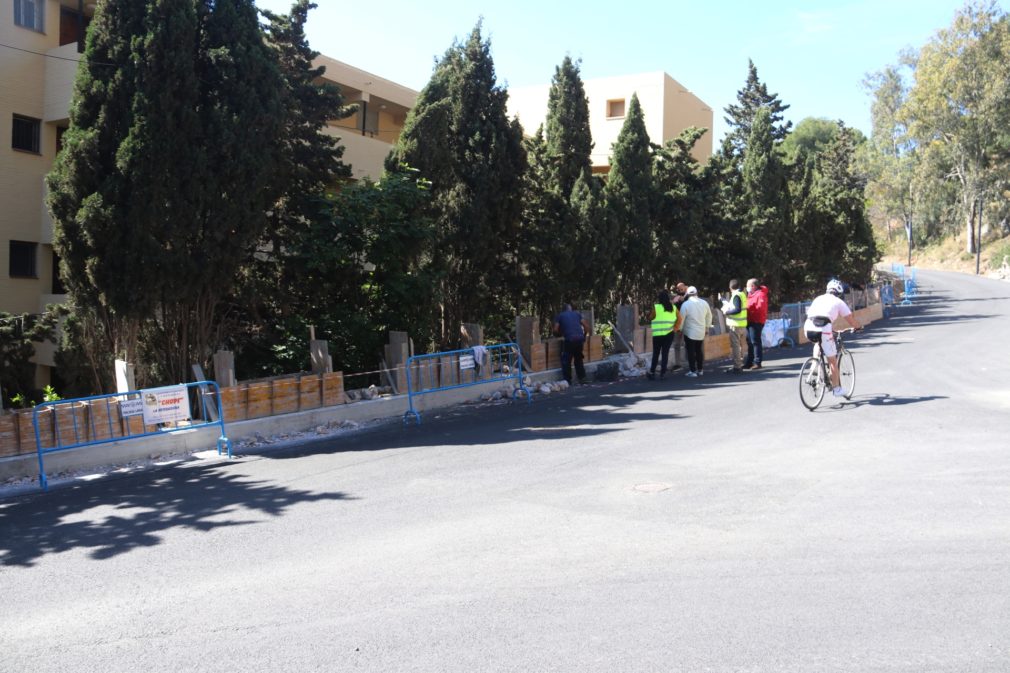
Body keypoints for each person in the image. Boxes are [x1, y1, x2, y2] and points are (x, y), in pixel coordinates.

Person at [803, 279, 863, 397]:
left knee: (817, 343)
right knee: (832, 361)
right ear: (839, 292)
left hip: (808, 327)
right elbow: (851, 320)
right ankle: (837, 389)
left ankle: (814, 364)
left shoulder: (818, 298)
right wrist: (858, 327)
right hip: (824, 328)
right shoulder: (839, 302)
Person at [675, 286, 712, 378]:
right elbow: (709, 316)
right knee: (699, 350)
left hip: (689, 332)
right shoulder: (704, 303)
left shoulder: (686, 304)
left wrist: (679, 329)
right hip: (701, 331)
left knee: (691, 351)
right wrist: (707, 328)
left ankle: (692, 371)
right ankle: (700, 370)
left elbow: (682, 319)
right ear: (697, 293)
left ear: (687, 294)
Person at [553, 303, 590, 385]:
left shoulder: (560, 316)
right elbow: (586, 326)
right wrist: (584, 335)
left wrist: (560, 334)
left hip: (569, 340)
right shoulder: (577, 314)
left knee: (566, 360)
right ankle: (582, 378)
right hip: (580, 339)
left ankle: (567, 381)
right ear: (571, 309)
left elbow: (555, 329)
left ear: (563, 309)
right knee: (578, 359)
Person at [645, 290, 678, 380]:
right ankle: (663, 373)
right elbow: (680, 319)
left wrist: (648, 314)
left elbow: (651, 317)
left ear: (659, 299)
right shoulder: (673, 308)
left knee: (656, 353)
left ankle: (652, 372)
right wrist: (675, 329)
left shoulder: (656, 307)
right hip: (669, 334)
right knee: (665, 353)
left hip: (657, 335)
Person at [722, 279, 748, 374]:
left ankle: (737, 366)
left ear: (730, 287)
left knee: (736, 346)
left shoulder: (736, 295)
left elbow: (737, 309)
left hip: (735, 325)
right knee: (741, 346)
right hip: (742, 324)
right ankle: (739, 364)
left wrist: (726, 312)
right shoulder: (742, 294)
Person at [744, 278, 769, 370]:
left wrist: (748, 310)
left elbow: (760, 309)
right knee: (749, 341)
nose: (746, 287)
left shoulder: (760, 295)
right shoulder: (751, 294)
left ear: (753, 286)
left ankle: (757, 362)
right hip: (750, 320)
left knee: (755, 341)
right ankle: (749, 362)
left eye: (747, 285)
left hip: (756, 321)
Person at [670, 282, 689, 371]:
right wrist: (674, 302)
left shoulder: (689, 297)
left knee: (688, 343)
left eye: (682, 289)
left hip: (686, 323)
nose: (680, 291)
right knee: (677, 344)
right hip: (678, 323)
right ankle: (678, 363)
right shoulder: (676, 298)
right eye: (678, 289)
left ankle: (690, 361)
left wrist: (684, 300)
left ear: (685, 288)